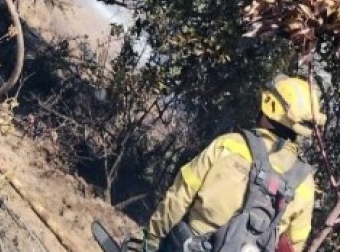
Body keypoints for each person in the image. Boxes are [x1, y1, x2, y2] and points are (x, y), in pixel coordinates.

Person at [135, 74, 327, 252]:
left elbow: (179, 198)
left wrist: (150, 241)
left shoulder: (229, 145)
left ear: (269, 106)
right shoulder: (304, 182)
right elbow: (293, 244)